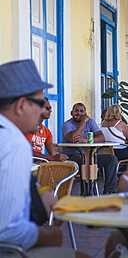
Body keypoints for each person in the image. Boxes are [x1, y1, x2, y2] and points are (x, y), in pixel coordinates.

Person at [0, 59, 88, 257]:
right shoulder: (14, 143)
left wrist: (41, 191)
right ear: (21, 105)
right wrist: (47, 234)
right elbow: (7, 232)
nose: (44, 112)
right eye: (41, 104)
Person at [62, 103, 118, 194]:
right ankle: (86, 193)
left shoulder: (91, 122)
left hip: (89, 154)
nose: (79, 113)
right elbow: (72, 138)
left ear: (85, 114)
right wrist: (83, 122)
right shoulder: (67, 124)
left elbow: (101, 137)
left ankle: (110, 191)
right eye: (76, 111)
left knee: (111, 159)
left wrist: (86, 140)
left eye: (81, 111)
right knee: (84, 160)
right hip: (72, 155)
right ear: (71, 112)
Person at [25, 97, 68, 162]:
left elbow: (53, 154)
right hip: (26, 164)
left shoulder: (47, 132)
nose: (50, 110)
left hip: (39, 163)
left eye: (50, 108)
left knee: (71, 165)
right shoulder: (28, 127)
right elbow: (28, 152)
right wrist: (51, 158)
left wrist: (58, 157)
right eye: (48, 108)